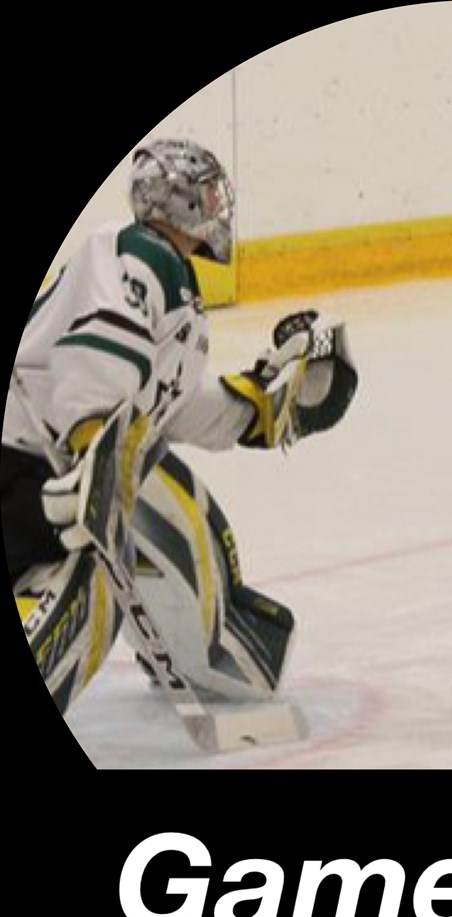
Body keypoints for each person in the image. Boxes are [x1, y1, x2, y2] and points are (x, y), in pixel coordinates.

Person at [4, 138, 358, 715]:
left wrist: (261, 404)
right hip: (27, 460)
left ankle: (202, 655)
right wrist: (93, 447)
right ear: (180, 201)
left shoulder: (174, 286)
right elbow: (94, 353)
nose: (219, 206)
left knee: (186, 530)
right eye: (209, 194)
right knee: (88, 601)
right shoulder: (140, 255)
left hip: (58, 458)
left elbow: (171, 404)